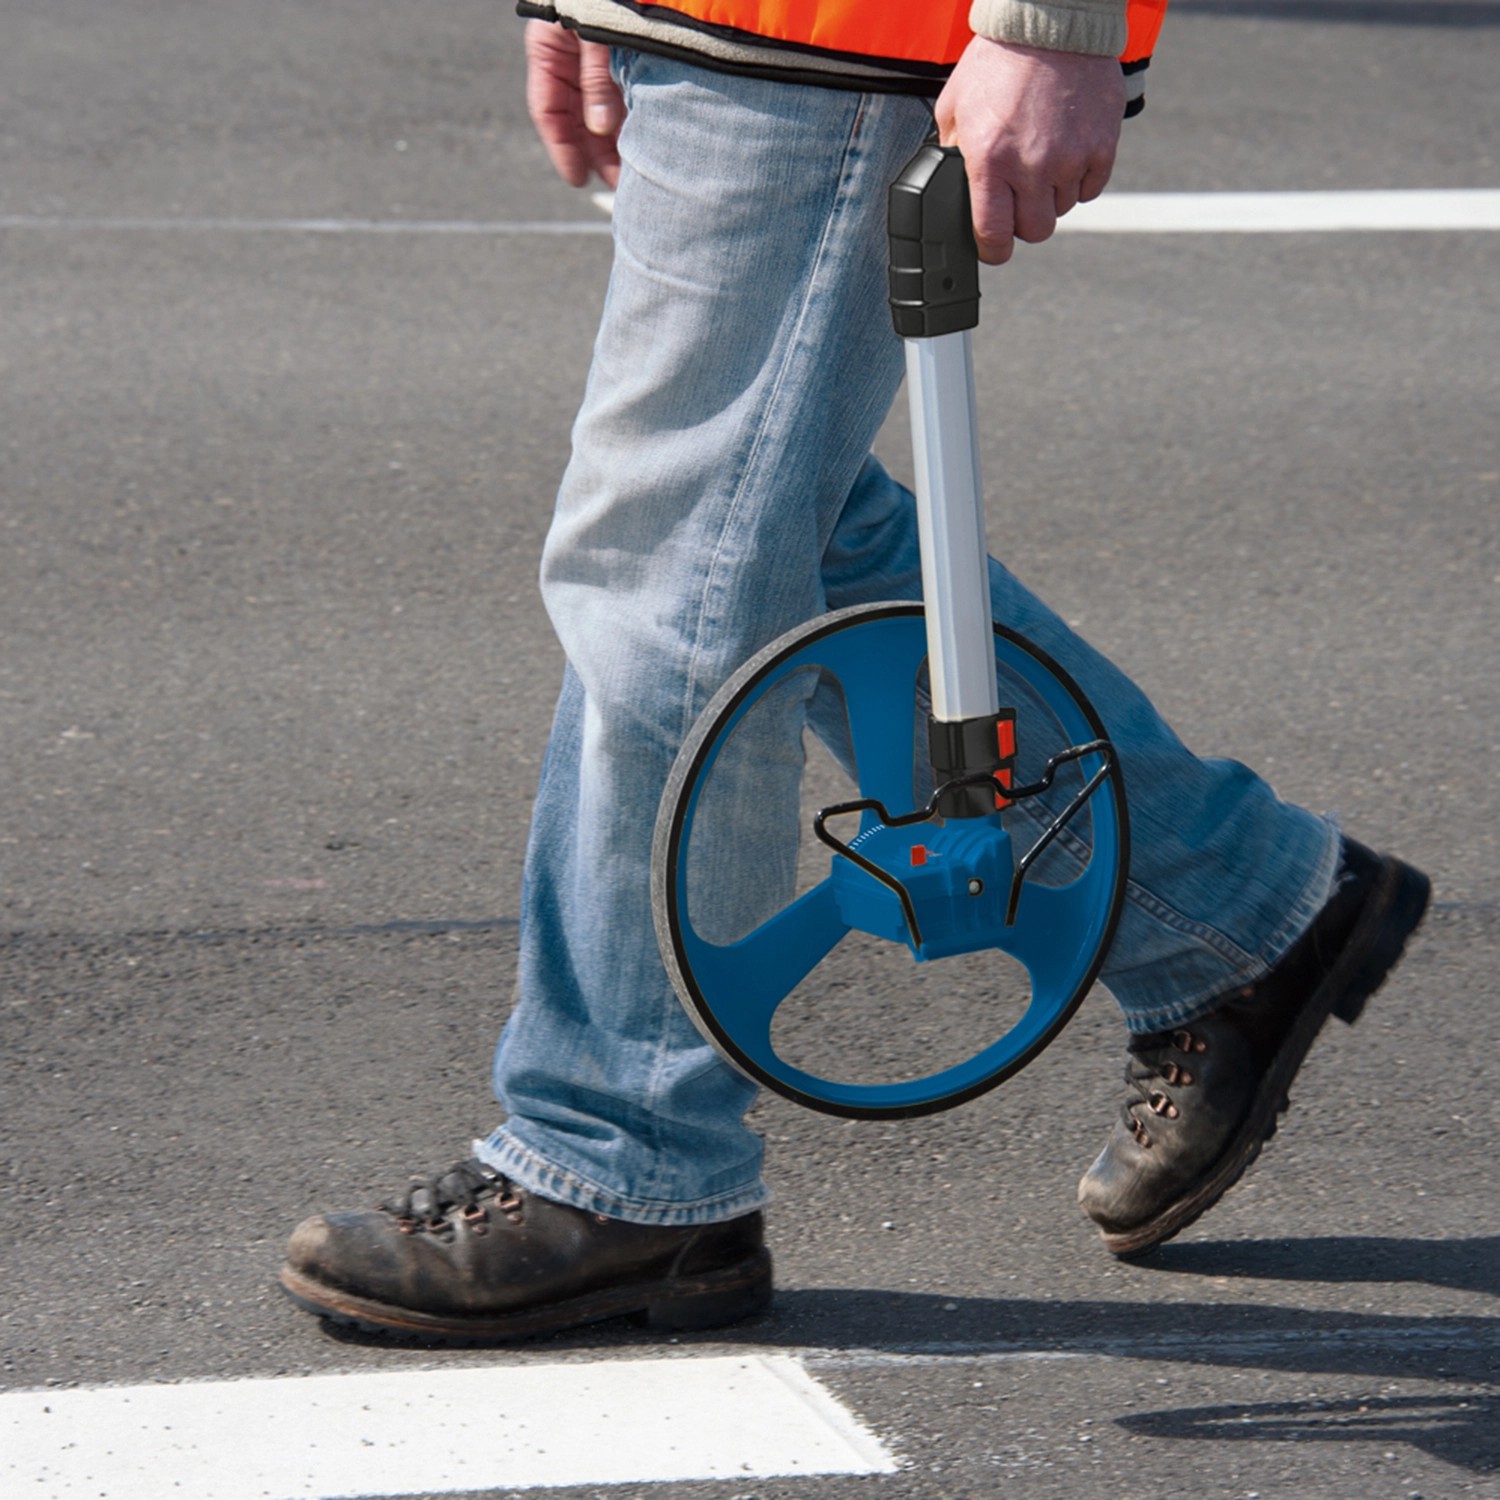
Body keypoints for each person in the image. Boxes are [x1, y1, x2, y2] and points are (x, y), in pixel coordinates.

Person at [277, 0, 1430, 1342]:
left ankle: (624, 1156)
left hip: (842, 33)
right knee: (767, 528)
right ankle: (1233, 911)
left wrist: (1053, 25)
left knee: (677, 555)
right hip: (731, 25)